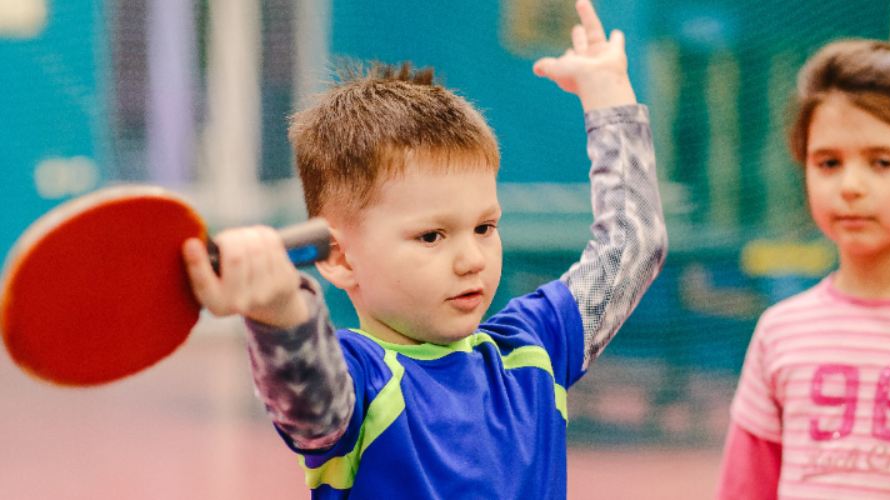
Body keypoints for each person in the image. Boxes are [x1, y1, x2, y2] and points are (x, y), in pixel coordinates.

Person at [182, 0, 667, 498]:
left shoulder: (533, 349)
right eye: (431, 236)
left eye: (484, 227)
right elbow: (311, 403)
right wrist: (279, 308)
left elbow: (633, 244)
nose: (471, 259)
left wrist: (608, 94)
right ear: (341, 259)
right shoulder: (358, 381)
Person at [716, 39, 890, 499]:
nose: (850, 186)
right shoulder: (780, 331)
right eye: (828, 162)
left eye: (881, 162)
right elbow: (745, 488)